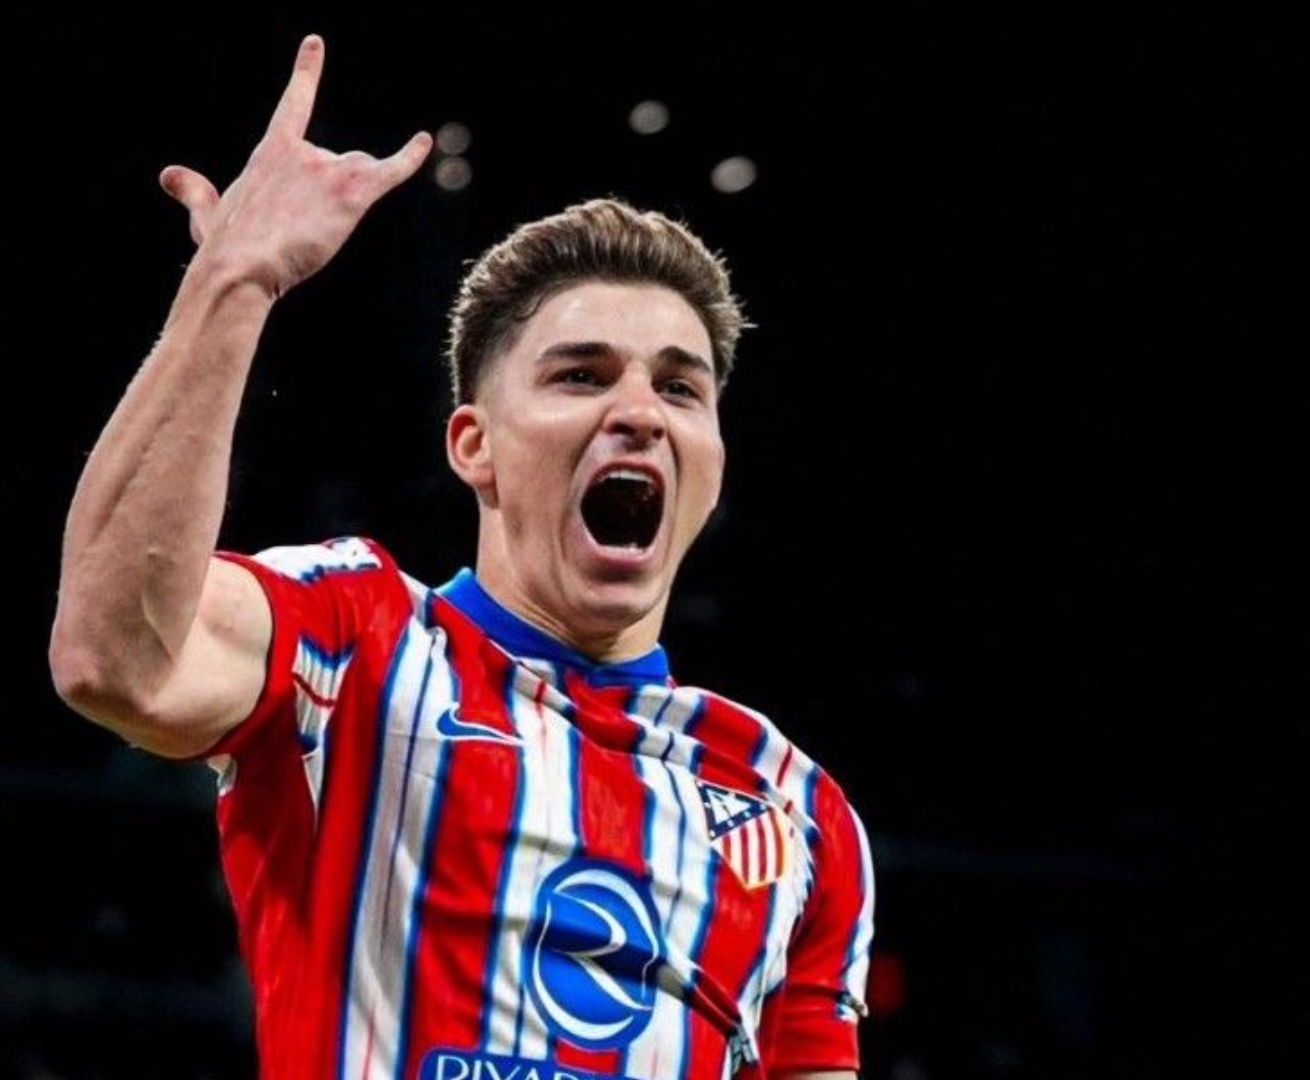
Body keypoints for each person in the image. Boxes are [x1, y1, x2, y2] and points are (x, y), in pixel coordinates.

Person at [49, 33, 876, 1080]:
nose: (639, 413)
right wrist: (232, 288)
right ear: (474, 447)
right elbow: (111, 654)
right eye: (581, 376)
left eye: (680, 388)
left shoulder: (796, 808)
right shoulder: (356, 639)